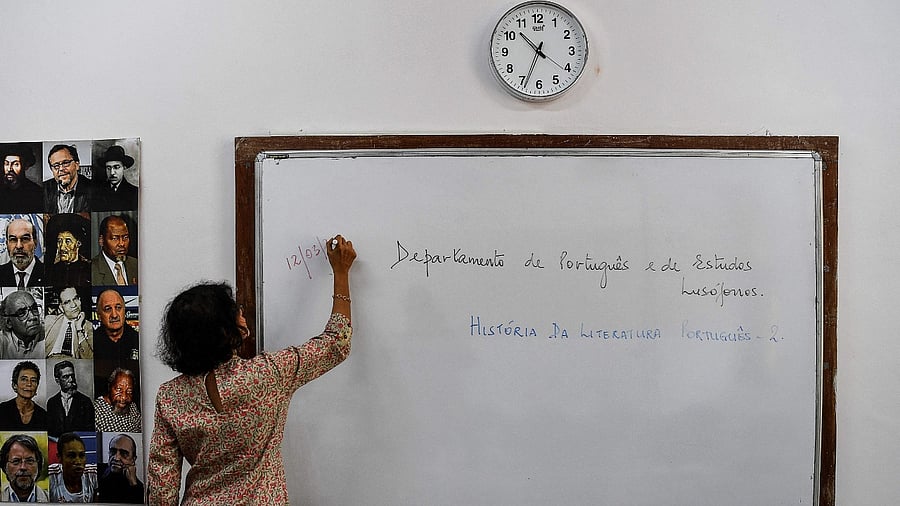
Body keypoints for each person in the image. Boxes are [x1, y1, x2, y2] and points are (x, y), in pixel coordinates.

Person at [148, 234, 356, 504]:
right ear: (226, 331)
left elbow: (161, 492)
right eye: (236, 310)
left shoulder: (169, 397)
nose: (242, 313)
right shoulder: (267, 374)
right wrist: (341, 272)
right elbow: (337, 342)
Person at [46, 361, 95, 437]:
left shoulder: (86, 402)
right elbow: (51, 431)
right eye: (66, 377)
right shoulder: (52, 403)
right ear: (57, 381)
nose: (71, 380)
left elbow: (90, 431)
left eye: (72, 375)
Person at [43, 144, 95, 214]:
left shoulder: (93, 189)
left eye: (66, 163)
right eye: (56, 166)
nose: (61, 169)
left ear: (77, 165)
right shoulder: (43, 189)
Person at [44, 287, 93, 359]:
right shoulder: (49, 321)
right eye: (67, 302)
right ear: (61, 307)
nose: (74, 305)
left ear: (80, 300)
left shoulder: (89, 327)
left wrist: (79, 330)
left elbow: (89, 358)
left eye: (75, 299)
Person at [48, 432, 98, 502]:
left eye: (81, 455)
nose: (78, 461)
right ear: (59, 457)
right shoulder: (50, 476)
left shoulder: (93, 474)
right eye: (71, 456)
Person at [92, 288, 139, 362]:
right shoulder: (91, 343)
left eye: (118, 308)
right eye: (108, 309)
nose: (114, 315)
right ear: (99, 315)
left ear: (124, 310)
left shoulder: (138, 340)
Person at [90, 215, 138, 286]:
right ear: (101, 241)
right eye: (115, 238)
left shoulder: (136, 265)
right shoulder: (91, 270)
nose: (122, 243)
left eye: (125, 237)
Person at [45, 213, 91, 287]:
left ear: (78, 243)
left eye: (68, 241)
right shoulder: (52, 272)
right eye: (59, 241)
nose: (62, 247)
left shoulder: (88, 270)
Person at [0, 434, 49, 502]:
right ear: (5, 467)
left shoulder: (52, 499)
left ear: (38, 465)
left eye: (29, 461)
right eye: (16, 461)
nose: (23, 467)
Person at [0, 361, 47, 430]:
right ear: (14, 385)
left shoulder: (43, 415)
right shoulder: (2, 410)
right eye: (24, 379)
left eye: (33, 380)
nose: (29, 384)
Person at [96, 434, 143, 503]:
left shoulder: (138, 487)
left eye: (124, 453)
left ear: (133, 459)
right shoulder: (97, 470)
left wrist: (133, 484)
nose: (116, 458)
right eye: (113, 451)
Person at [0, 291, 46, 359]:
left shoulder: (48, 334)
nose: (33, 317)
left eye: (35, 309)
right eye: (22, 313)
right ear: (9, 322)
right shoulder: (2, 342)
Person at [0, 218, 44, 288]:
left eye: (25, 239)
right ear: (7, 244)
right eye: (13, 239)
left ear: (35, 243)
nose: (19, 246)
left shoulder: (49, 274)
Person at [94, 367, 141, 433]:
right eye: (119, 390)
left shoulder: (132, 407)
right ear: (109, 387)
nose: (124, 397)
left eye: (129, 391)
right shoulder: (96, 410)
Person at [0, 143, 43, 212]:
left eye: (15, 164)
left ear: (25, 166)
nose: (9, 169)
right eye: (6, 164)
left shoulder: (36, 193)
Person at [93, 146, 138, 211]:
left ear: (124, 167)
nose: (112, 173)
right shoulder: (98, 192)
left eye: (116, 167)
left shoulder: (134, 192)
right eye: (108, 168)